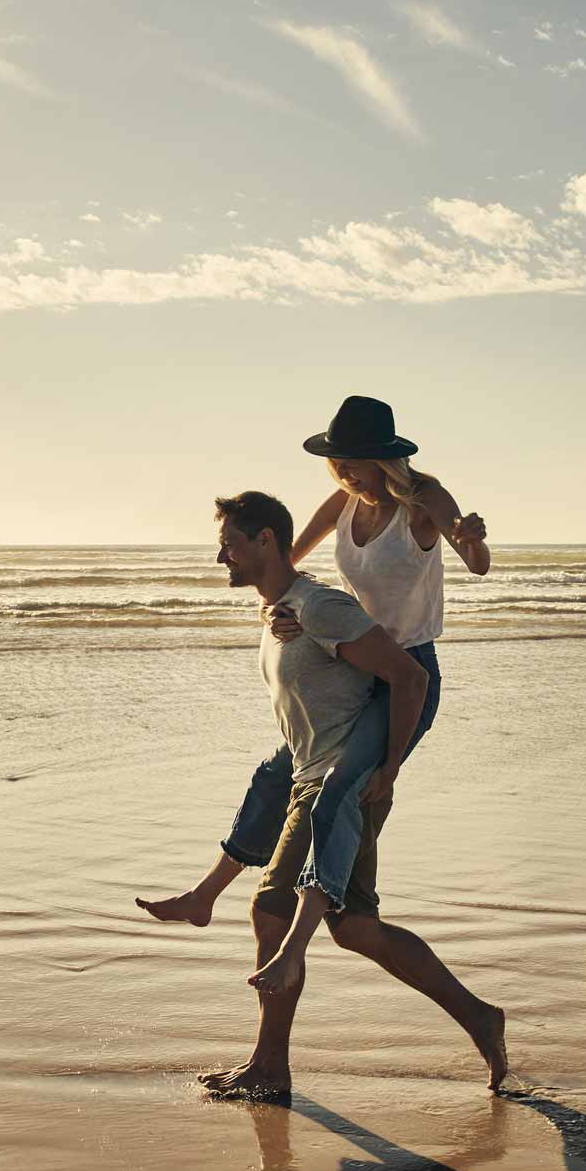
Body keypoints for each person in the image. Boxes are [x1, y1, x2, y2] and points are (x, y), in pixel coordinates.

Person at [137, 397, 489, 977]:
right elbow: (283, 567)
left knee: (345, 787)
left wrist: (472, 540)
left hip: (405, 674)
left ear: (383, 458)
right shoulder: (345, 502)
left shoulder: (425, 499)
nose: (342, 472)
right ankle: (204, 896)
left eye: (350, 461)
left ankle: (294, 946)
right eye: (337, 462)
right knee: (276, 774)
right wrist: (286, 613)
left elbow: (474, 561)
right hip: (350, 661)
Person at [187, 490, 506, 1100]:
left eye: (228, 543)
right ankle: (479, 1017)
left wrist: (383, 770)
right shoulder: (289, 608)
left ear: (262, 542)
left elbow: (408, 676)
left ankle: (269, 1067)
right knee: (357, 928)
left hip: (342, 781)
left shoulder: (318, 607)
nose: (219, 555)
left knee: (273, 911)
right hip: (318, 773)